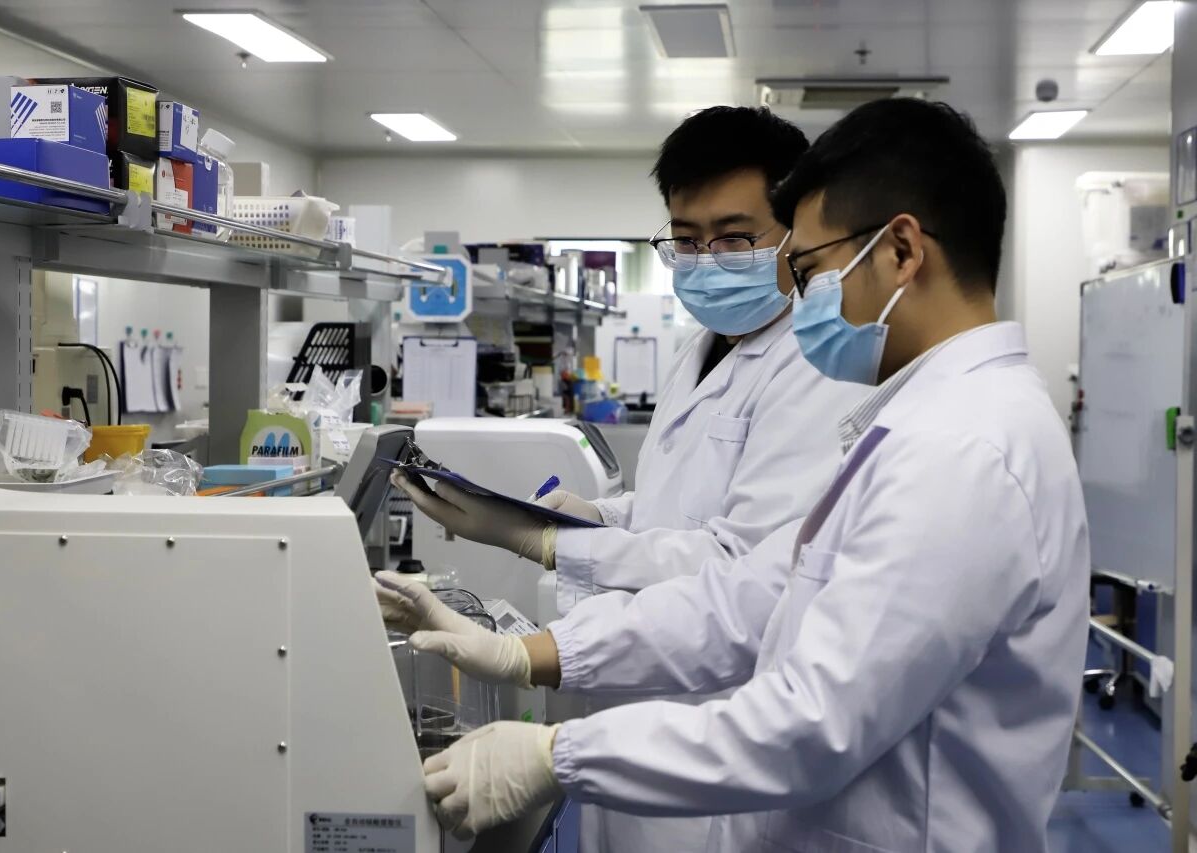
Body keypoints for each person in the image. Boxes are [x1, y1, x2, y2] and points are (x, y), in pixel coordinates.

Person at [379, 97, 1090, 852]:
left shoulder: (964, 451)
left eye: (812, 269)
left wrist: (559, 755)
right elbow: (751, 596)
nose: (806, 298)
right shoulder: (926, 422)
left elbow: (813, 722)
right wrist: (528, 653)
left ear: (902, 252)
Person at [392, 106, 864, 851]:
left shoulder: (815, 366)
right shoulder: (702, 347)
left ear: (795, 232)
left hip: (715, 732)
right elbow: (679, 508)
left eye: (733, 237)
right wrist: (597, 516)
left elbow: (742, 572)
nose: (706, 260)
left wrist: (549, 547)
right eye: (686, 239)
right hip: (640, 703)